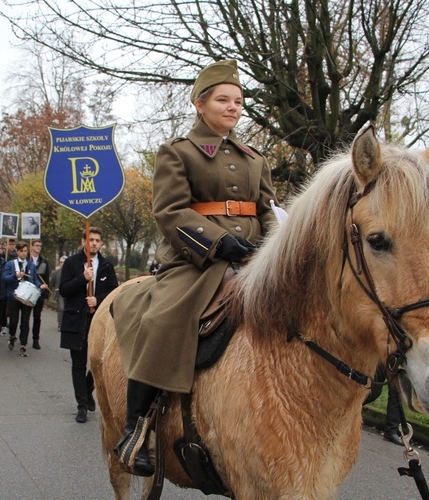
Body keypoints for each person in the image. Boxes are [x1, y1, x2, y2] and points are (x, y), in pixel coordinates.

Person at [111, 59, 277, 475]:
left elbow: (268, 210)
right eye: (223, 99)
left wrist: (275, 246)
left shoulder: (256, 158)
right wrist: (219, 242)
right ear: (200, 104)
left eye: (239, 101)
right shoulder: (177, 152)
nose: (233, 107)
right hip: (196, 260)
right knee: (164, 317)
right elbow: (169, 212)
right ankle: (136, 428)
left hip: (255, 256)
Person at [60, 227, 119, 423]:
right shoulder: (71, 263)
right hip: (76, 320)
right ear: (83, 241)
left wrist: (98, 300)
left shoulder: (106, 266)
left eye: (97, 240)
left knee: (97, 363)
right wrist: (82, 279)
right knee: (78, 364)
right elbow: (64, 289)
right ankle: (82, 405)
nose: (94, 243)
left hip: (97, 322)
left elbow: (114, 292)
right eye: (90, 239)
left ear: (101, 244)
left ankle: (87, 389)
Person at [2, 241, 48, 357]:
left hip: (27, 297)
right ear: (17, 252)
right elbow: (5, 278)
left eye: (25, 251)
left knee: (25, 322)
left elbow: (34, 279)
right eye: (21, 251)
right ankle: (12, 335)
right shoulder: (11, 264)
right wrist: (15, 276)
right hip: (14, 296)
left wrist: (40, 285)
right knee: (13, 321)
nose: (24, 253)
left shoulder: (31, 265)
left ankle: (23, 345)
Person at [28, 239, 50, 349]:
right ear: (31, 246)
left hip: (39, 292)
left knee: (37, 317)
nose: (38, 248)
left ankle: (35, 339)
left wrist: (46, 294)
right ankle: (23, 338)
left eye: (40, 246)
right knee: (25, 317)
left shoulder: (44, 261)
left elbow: (46, 278)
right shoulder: (26, 259)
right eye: (36, 245)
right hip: (27, 291)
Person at [49, 255, 67, 331]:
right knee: (61, 308)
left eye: (64, 262)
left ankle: (66, 324)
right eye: (61, 262)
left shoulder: (71, 272)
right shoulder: (55, 272)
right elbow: (51, 283)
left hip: (69, 293)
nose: (62, 264)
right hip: (59, 293)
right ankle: (60, 324)